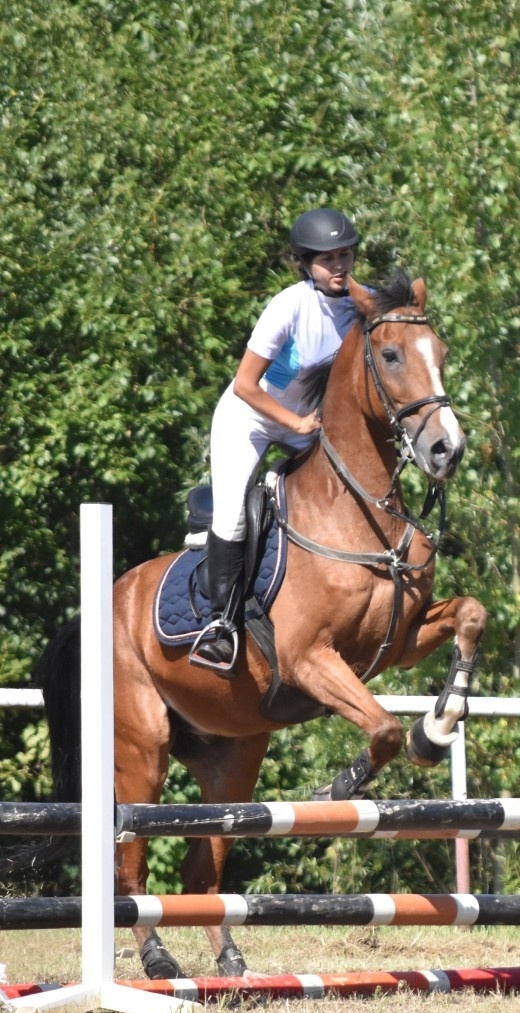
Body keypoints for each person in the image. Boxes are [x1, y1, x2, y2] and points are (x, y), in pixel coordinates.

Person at [189, 207, 362, 673]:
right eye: (328, 259)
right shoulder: (289, 306)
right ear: (306, 264)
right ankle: (220, 626)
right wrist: (298, 423)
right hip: (250, 416)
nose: (340, 266)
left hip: (303, 422)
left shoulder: (355, 305)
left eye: (345, 255)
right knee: (232, 514)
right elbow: (246, 385)